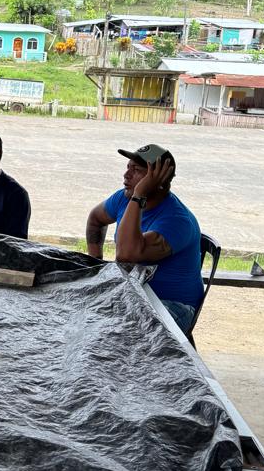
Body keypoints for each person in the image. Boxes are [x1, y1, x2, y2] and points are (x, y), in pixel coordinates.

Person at [85, 144, 203, 337]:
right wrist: (96, 263)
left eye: (137, 170)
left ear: (160, 180)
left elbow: (127, 255)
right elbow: (96, 219)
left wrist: (139, 194)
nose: (126, 175)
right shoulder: (125, 198)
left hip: (170, 305)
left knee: (112, 335)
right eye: (128, 167)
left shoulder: (177, 220)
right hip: (134, 293)